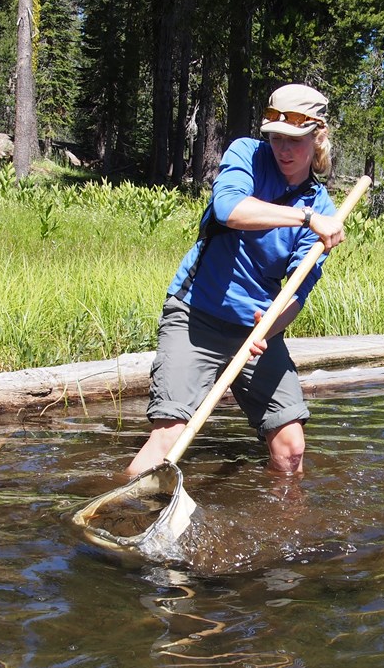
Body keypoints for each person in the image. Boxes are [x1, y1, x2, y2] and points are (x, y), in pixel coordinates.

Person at [126, 84, 347, 478]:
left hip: (257, 329)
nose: (283, 149)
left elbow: (299, 288)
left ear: (317, 138)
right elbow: (229, 208)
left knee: (291, 447)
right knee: (169, 437)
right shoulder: (246, 153)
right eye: (276, 138)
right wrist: (305, 218)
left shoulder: (323, 206)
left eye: (294, 140)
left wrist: (269, 328)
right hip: (197, 313)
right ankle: (121, 511)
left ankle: (280, 524)